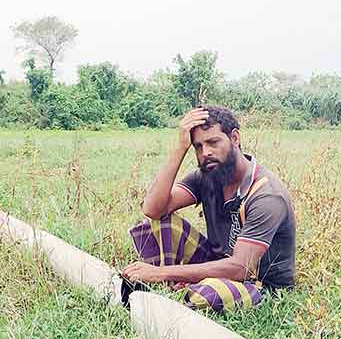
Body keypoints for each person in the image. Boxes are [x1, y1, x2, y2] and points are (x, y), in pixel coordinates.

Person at [122, 106, 296, 312]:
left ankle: (177, 286)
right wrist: (180, 148)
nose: (206, 153)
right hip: (219, 263)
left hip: (258, 283)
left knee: (206, 294)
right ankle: (180, 284)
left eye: (213, 142)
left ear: (235, 138)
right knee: (157, 224)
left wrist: (162, 272)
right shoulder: (208, 176)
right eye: (198, 146)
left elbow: (241, 268)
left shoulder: (266, 195)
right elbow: (153, 209)